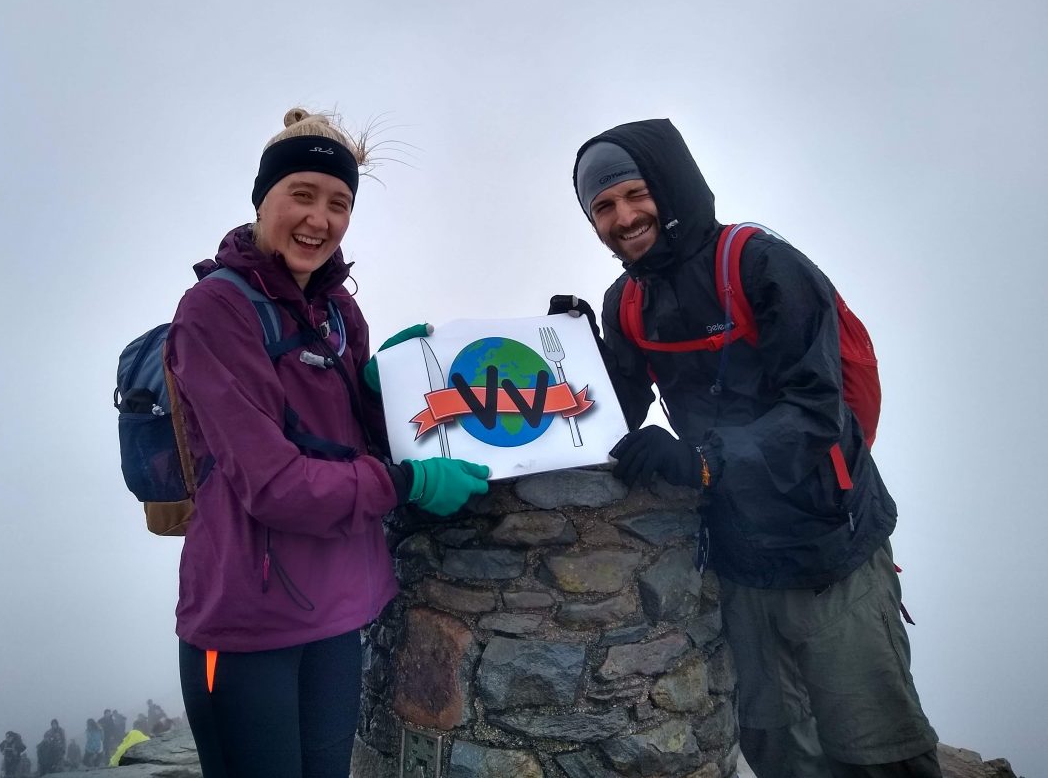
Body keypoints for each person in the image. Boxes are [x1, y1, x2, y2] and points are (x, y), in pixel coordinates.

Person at [552, 118, 941, 778]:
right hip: (740, 563)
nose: (623, 217)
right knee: (779, 752)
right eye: (603, 207)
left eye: (634, 193)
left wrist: (706, 460)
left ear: (671, 186)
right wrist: (579, 348)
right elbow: (614, 414)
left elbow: (819, 411)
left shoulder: (759, 263)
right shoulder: (629, 302)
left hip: (832, 553)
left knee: (878, 751)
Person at [165, 107, 491, 778]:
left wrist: (382, 387)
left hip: (337, 609)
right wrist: (408, 485)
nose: (320, 219)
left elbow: (354, 438)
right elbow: (273, 483)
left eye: (339, 203)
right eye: (302, 195)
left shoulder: (341, 311)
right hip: (248, 621)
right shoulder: (215, 311)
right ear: (264, 198)